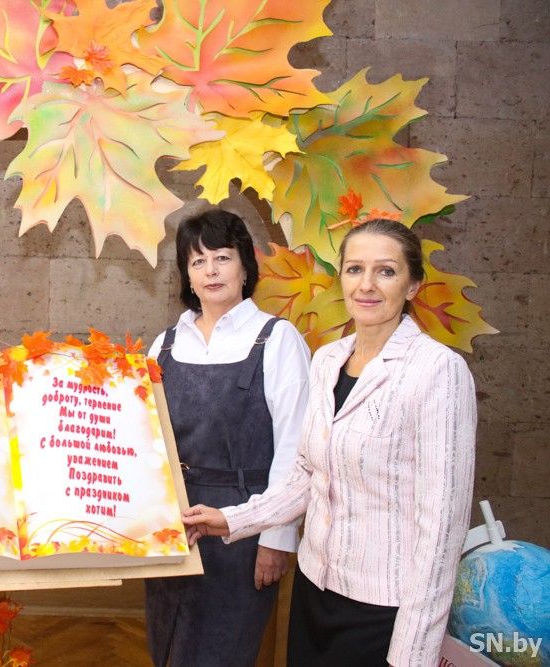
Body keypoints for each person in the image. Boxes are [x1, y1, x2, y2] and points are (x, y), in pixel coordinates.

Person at [182, 218, 477, 666]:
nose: (367, 285)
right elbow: (306, 475)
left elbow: (441, 532)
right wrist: (229, 519)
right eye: (355, 269)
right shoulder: (328, 360)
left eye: (386, 271)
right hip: (315, 589)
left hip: (385, 609)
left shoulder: (438, 371)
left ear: (413, 285)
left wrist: (412, 653)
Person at [144, 209, 311, 666]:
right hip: (176, 524)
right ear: (187, 275)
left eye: (222, 257)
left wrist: (276, 539)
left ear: (244, 267)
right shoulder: (164, 344)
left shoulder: (277, 339)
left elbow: (296, 449)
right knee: (167, 649)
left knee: (222, 653)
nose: (211, 271)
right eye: (197, 261)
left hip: (245, 525)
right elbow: (146, 440)